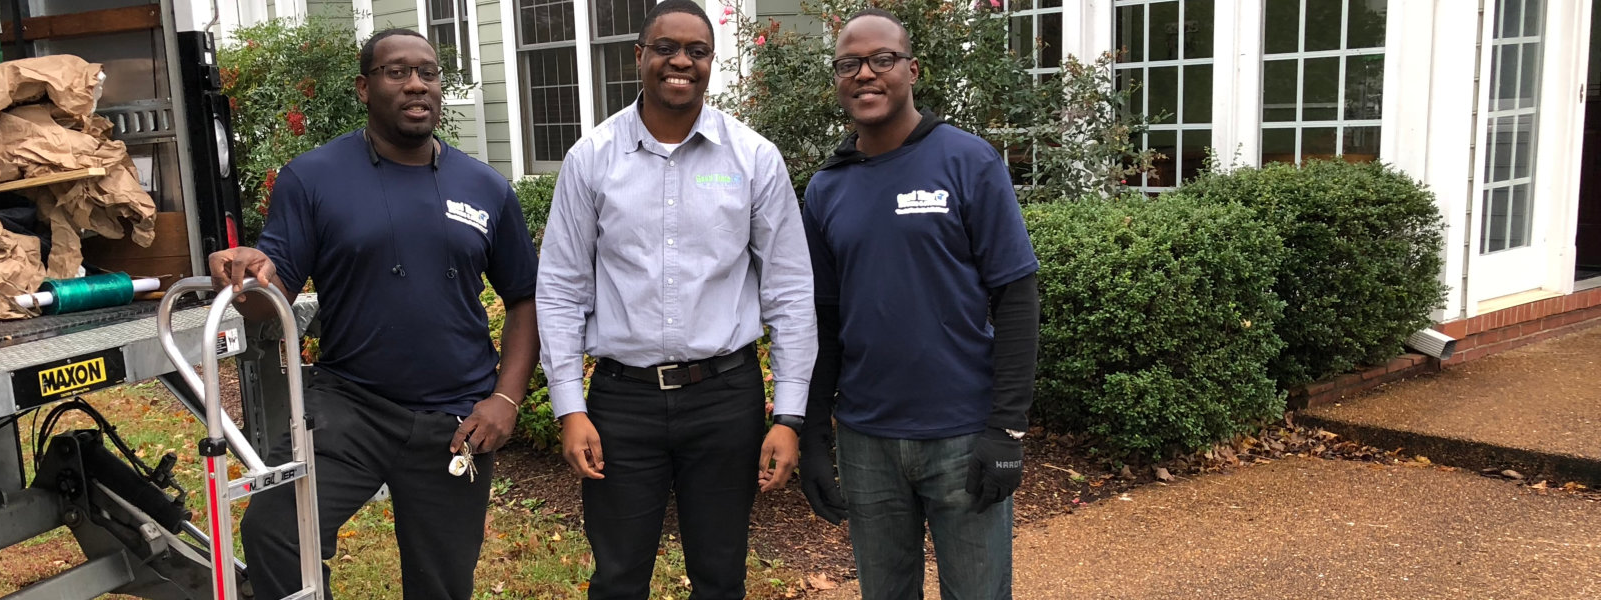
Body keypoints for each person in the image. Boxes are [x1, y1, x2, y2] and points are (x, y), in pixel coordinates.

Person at [212, 28, 539, 600]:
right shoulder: (312, 178)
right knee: (277, 532)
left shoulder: (485, 187)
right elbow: (270, 305)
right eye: (397, 72)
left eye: (429, 73)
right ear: (365, 87)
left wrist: (505, 400)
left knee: (442, 585)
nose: (416, 85)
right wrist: (244, 275)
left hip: (454, 419)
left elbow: (525, 299)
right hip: (350, 408)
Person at [533, 1, 817, 598]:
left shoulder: (753, 158)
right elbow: (559, 287)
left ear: (712, 63)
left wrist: (789, 416)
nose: (681, 62)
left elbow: (789, 290)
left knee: (720, 574)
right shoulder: (593, 158)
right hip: (621, 403)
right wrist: (569, 405)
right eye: (666, 48)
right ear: (639, 56)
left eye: (697, 51)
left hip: (724, 398)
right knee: (617, 576)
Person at [795, 8, 1041, 600]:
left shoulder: (967, 161)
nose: (865, 74)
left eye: (882, 60)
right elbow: (822, 321)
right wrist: (812, 437)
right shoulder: (827, 188)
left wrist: (1007, 429)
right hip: (865, 437)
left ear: (912, 70)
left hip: (961, 433)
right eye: (848, 64)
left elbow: (1015, 295)